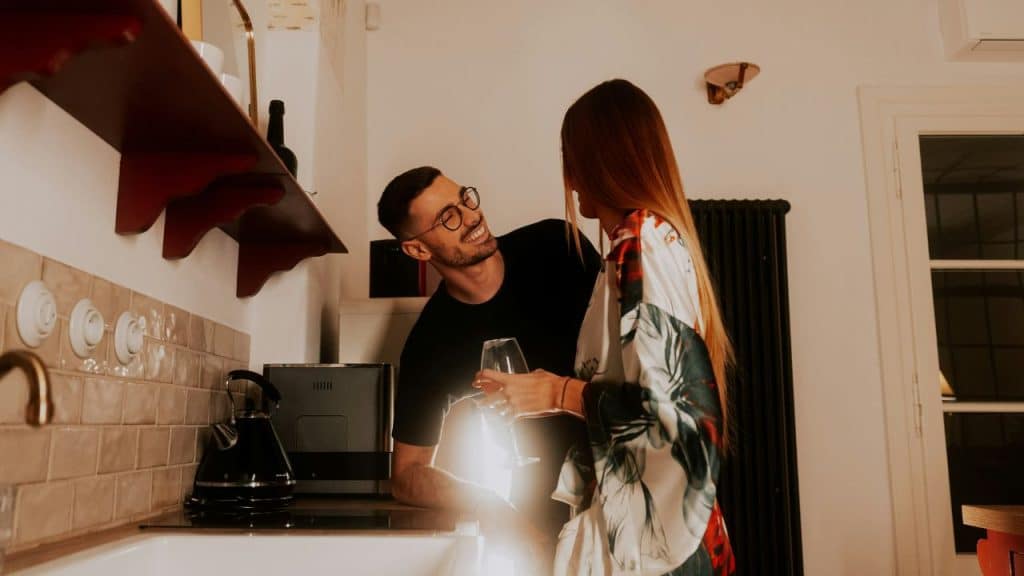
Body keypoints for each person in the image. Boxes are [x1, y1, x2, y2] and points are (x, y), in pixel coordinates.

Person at [474, 79, 736, 575]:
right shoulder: (638, 244)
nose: (569, 177)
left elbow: (675, 419)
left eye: (571, 156)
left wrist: (557, 393)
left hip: (657, 549)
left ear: (600, 161)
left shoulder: (641, 243)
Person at [376, 166, 602, 563]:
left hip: (623, 482)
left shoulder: (558, 246)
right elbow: (407, 474)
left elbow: (631, 355)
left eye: (465, 199)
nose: (471, 217)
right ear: (418, 250)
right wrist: (487, 502)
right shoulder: (430, 344)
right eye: (448, 217)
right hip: (541, 521)